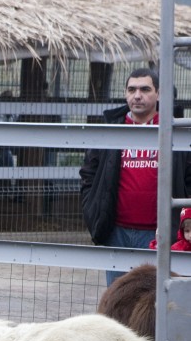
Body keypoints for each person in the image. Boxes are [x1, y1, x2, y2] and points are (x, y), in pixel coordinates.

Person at [80, 67, 191, 286]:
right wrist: (93, 211)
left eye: (144, 89)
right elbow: (88, 174)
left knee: (155, 303)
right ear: (125, 93)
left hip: (159, 234)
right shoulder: (111, 130)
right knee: (117, 301)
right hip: (116, 232)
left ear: (158, 94)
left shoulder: (176, 131)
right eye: (132, 89)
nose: (137, 95)